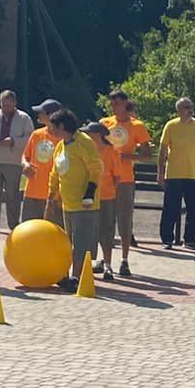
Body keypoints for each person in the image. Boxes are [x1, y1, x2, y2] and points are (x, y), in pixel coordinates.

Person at [45, 108, 100, 289]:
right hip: (67, 203)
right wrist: (52, 197)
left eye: (53, 127)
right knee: (67, 243)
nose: (50, 130)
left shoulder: (83, 142)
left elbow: (95, 167)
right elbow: (55, 173)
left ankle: (77, 278)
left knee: (81, 244)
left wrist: (90, 192)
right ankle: (65, 275)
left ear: (62, 126)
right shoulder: (60, 145)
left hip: (84, 205)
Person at [101, 91, 152, 277]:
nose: (115, 106)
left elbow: (147, 155)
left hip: (125, 179)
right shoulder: (105, 123)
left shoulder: (137, 126)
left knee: (124, 220)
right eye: (112, 103)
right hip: (105, 179)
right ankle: (105, 260)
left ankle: (124, 259)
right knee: (106, 220)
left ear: (125, 104)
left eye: (118, 102)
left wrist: (128, 156)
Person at [157, 97, 195, 249]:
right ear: (178, 110)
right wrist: (160, 173)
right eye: (186, 107)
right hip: (174, 174)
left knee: (193, 208)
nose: (189, 110)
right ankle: (167, 239)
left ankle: (190, 239)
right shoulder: (171, 126)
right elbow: (162, 151)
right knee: (171, 208)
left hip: (193, 174)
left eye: (191, 107)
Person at [0, 90, 34, 232]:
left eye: (9, 106)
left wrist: (13, 141)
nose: (6, 108)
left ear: (15, 104)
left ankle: (13, 224)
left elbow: (30, 138)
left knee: (12, 195)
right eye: (3, 105)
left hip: (14, 162)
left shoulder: (24, 118)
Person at [86, 118, 121, 280]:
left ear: (98, 135)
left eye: (89, 133)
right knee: (89, 232)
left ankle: (108, 265)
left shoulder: (111, 152)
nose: (86, 135)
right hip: (88, 196)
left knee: (106, 232)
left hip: (106, 197)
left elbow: (117, 177)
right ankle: (87, 264)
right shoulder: (85, 150)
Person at [22, 99, 63, 221]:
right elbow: (25, 156)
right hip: (32, 192)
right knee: (29, 230)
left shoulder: (63, 138)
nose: (38, 115)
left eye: (41, 112)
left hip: (54, 195)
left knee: (52, 233)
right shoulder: (36, 134)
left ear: (52, 116)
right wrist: (25, 165)